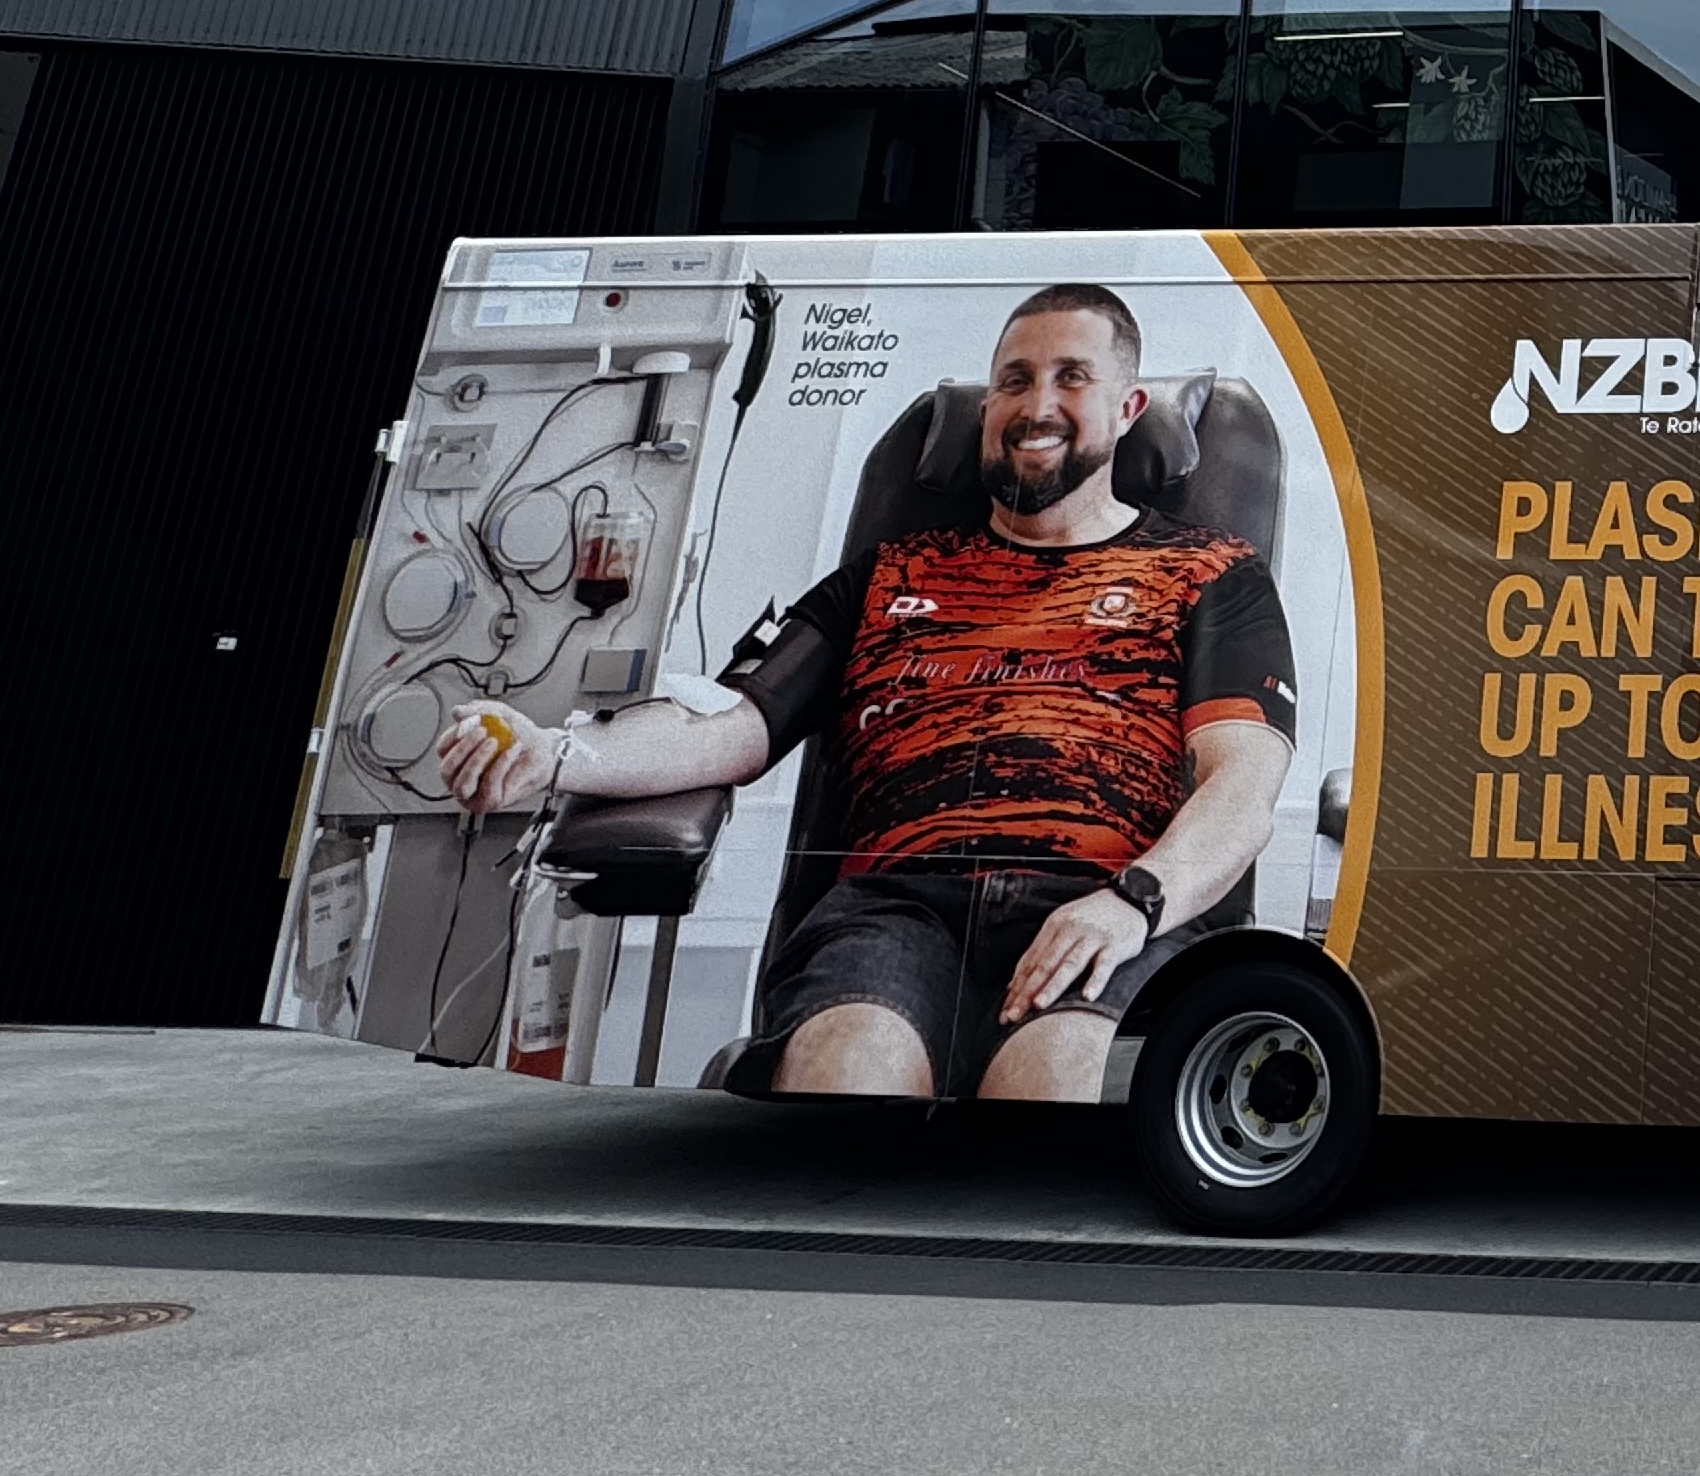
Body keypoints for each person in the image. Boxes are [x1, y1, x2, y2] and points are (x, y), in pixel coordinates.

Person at [440, 282, 1294, 1103]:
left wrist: (1133, 904)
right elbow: (731, 724)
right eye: (1013, 381)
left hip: (1104, 900)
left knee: (1056, 1077)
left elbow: (1242, 786)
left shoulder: (1209, 573)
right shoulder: (890, 574)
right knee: (848, 1068)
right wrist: (551, 751)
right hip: (897, 908)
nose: (1037, 404)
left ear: (1129, 409)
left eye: (1072, 377)